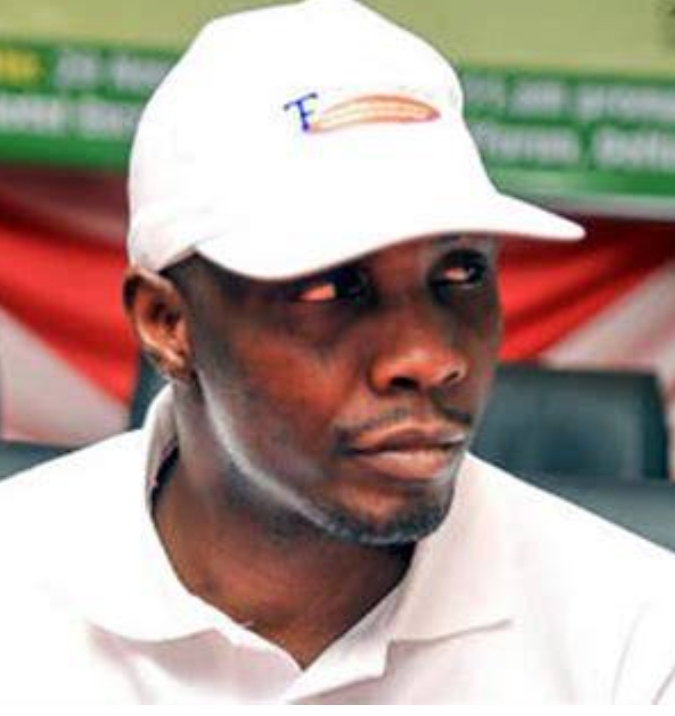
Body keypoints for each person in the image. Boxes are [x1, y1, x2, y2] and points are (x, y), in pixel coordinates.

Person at [0, 0, 674, 704]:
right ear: (168, 323)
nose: (427, 356)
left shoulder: (633, 644)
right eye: (331, 288)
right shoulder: (16, 589)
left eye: (461, 272)